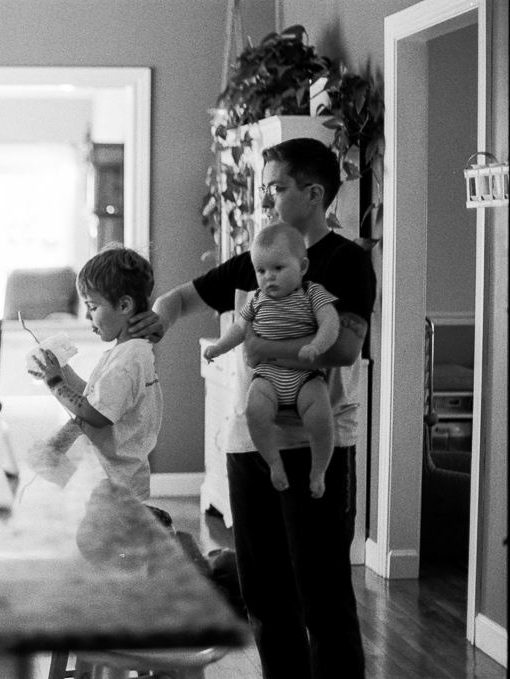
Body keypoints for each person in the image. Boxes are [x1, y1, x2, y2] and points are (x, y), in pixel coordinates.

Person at [129, 137, 374, 679]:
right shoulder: (256, 260)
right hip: (249, 446)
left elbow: (347, 347)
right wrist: (159, 318)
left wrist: (267, 349)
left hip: (318, 450)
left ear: (314, 194)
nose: (268, 199)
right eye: (265, 188)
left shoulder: (347, 262)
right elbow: (183, 298)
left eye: (277, 188)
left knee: (323, 594)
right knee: (264, 594)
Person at [203, 221, 340, 498]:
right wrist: (218, 347)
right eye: (261, 270)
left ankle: (319, 470)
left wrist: (317, 345)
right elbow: (239, 329)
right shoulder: (255, 299)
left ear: (302, 267)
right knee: (254, 411)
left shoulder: (312, 293)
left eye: (278, 268)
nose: (269, 277)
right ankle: (274, 464)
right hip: (268, 377)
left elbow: (331, 323)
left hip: (305, 377)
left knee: (322, 417)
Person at [27, 244, 163, 502]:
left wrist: (56, 383)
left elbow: (96, 415)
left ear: (124, 305)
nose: (88, 317)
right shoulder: (130, 353)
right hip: (119, 478)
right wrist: (62, 370)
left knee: (102, 540)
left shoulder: (126, 363)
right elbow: (94, 398)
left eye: (92, 307)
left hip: (116, 485)